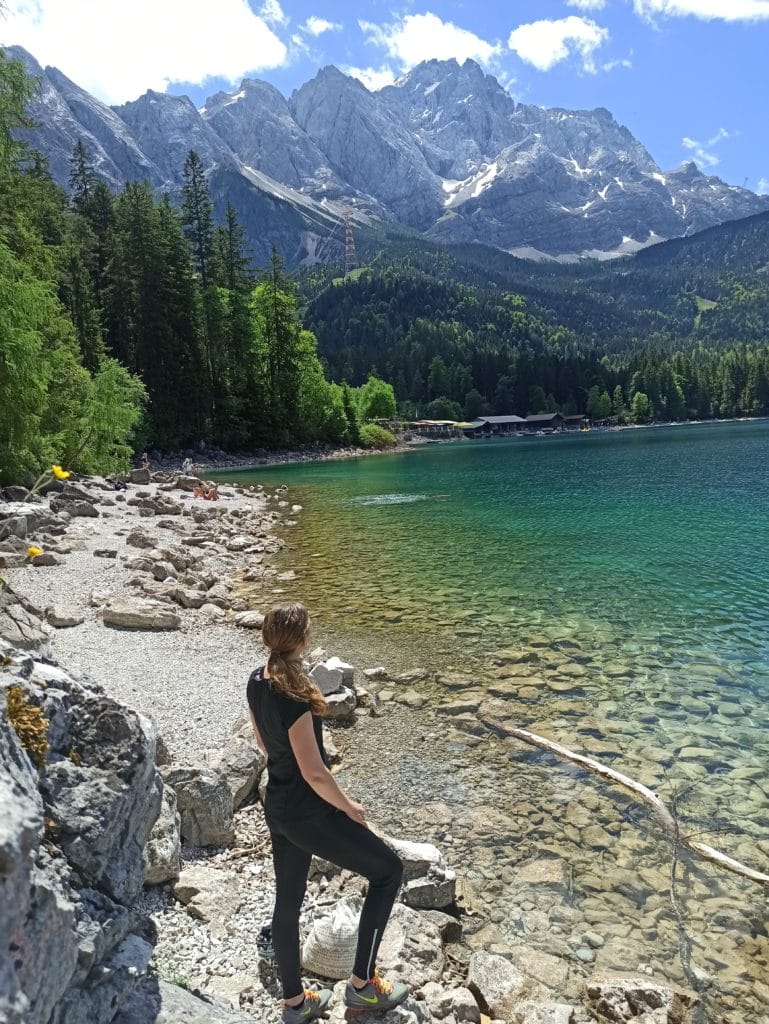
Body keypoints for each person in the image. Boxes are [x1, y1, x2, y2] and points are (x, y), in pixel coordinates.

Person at [247, 603, 407, 1024]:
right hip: (308, 813)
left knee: (288, 902)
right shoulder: (295, 697)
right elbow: (315, 773)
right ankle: (362, 986)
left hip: (278, 806)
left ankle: (295, 1004)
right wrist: (348, 807)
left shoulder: (256, 681)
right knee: (388, 871)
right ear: (302, 641)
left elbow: (263, 745)